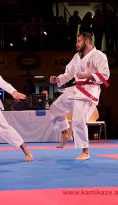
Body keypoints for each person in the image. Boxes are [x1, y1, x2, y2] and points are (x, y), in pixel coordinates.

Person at [49, 32, 110, 160]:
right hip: (76, 89)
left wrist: (87, 75)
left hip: (89, 91)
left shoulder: (99, 55)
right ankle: (65, 133)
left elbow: (105, 76)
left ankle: (85, 151)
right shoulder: (77, 56)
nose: (76, 44)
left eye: (79, 41)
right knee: (55, 109)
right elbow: (68, 73)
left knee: (78, 120)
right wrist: (57, 79)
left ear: (87, 41)